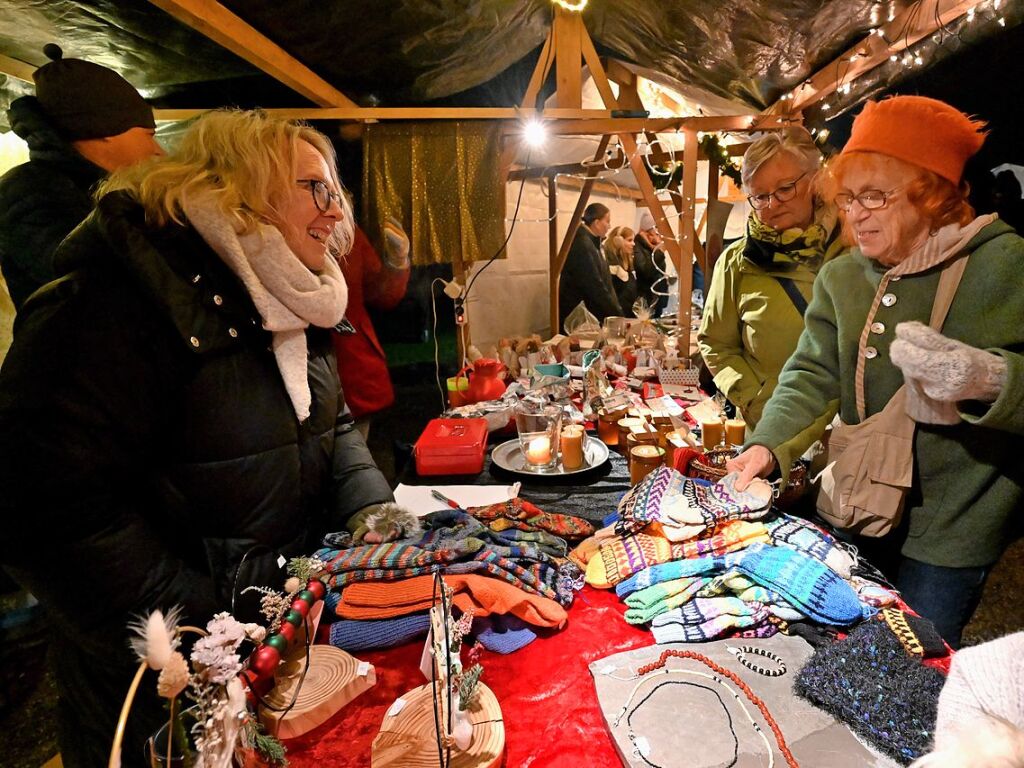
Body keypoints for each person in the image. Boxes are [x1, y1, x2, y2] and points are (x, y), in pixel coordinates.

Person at [0, 110, 417, 767]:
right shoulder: (110, 305)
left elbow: (330, 425)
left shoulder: (289, 298)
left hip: (273, 648)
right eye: (316, 187)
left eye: (337, 190)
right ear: (237, 185)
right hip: (160, 694)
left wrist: (372, 508)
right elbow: (45, 511)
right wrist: (207, 625)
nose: (338, 213)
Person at [728, 95, 1024, 648]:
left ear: (933, 194)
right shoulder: (843, 277)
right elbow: (812, 372)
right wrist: (767, 444)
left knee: (907, 665)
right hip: (856, 502)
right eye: (846, 198)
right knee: (828, 640)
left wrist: (990, 379)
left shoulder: (1005, 265)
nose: (855, 214)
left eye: (875, 196)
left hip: (949, 532)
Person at [698, 128, 844, 428]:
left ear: (815, 180)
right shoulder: (736, 262)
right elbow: (715, 342)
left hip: (843, 431)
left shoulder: (852, 251)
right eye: (760, 196)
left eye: (785, 189)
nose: (772, 204)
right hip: (767, 428)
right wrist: (758, 401)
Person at [0, 44, 163, 310]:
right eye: (148, 135)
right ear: (106, 129)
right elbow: (105, 288)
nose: (159, 151)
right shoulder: (29, 190)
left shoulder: (105, 187)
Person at [333, 220, 411, 438]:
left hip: (352, 368)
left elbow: (380, 293)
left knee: (355, 455)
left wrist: (397, 262)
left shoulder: (347, 232)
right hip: (299, 369)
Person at [558, 202, 622, 327]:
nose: (609, 226)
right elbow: (594, 285)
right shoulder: (583, 245)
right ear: (597, 223)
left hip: (588, 315)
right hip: (581, 318)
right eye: (607, 221)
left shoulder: (591, 243)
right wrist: (616, 313)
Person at [633, 210, 669, 316]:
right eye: (655, 228)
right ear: (647, 231)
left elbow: (661, 270)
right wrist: (660, 252)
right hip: (647, 297)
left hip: (658, 297)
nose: (658, 232)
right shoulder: (638, 246)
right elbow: (645, 270)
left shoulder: (653, 246)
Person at [603, 225, 639, 317]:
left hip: (628, 311)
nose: (633, 244)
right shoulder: (610, 263)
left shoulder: (628, 260)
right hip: (617, 313)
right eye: (630, 240)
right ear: (618, 240)